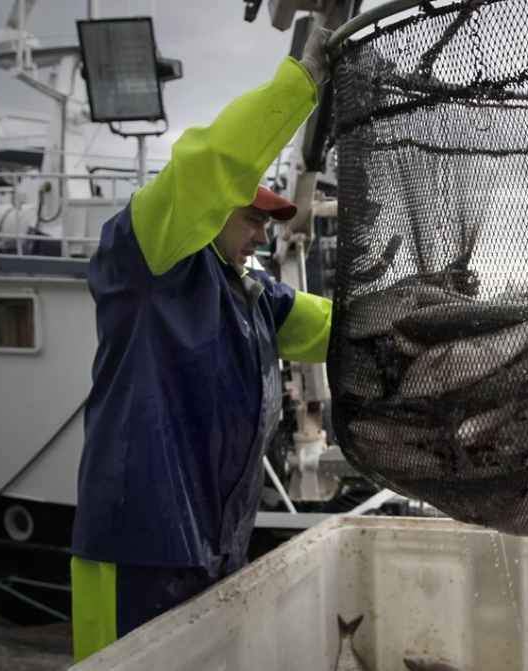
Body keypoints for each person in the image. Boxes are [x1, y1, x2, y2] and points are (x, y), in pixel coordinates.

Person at [69, 30, 335, 662]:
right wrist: (301, 84)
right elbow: (209, 163)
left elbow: (332, 326)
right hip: (135, 550)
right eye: (251, 217)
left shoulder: (252, 296)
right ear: (209, 209)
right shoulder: (146, 256)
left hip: (210, 553)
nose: (261, 235)